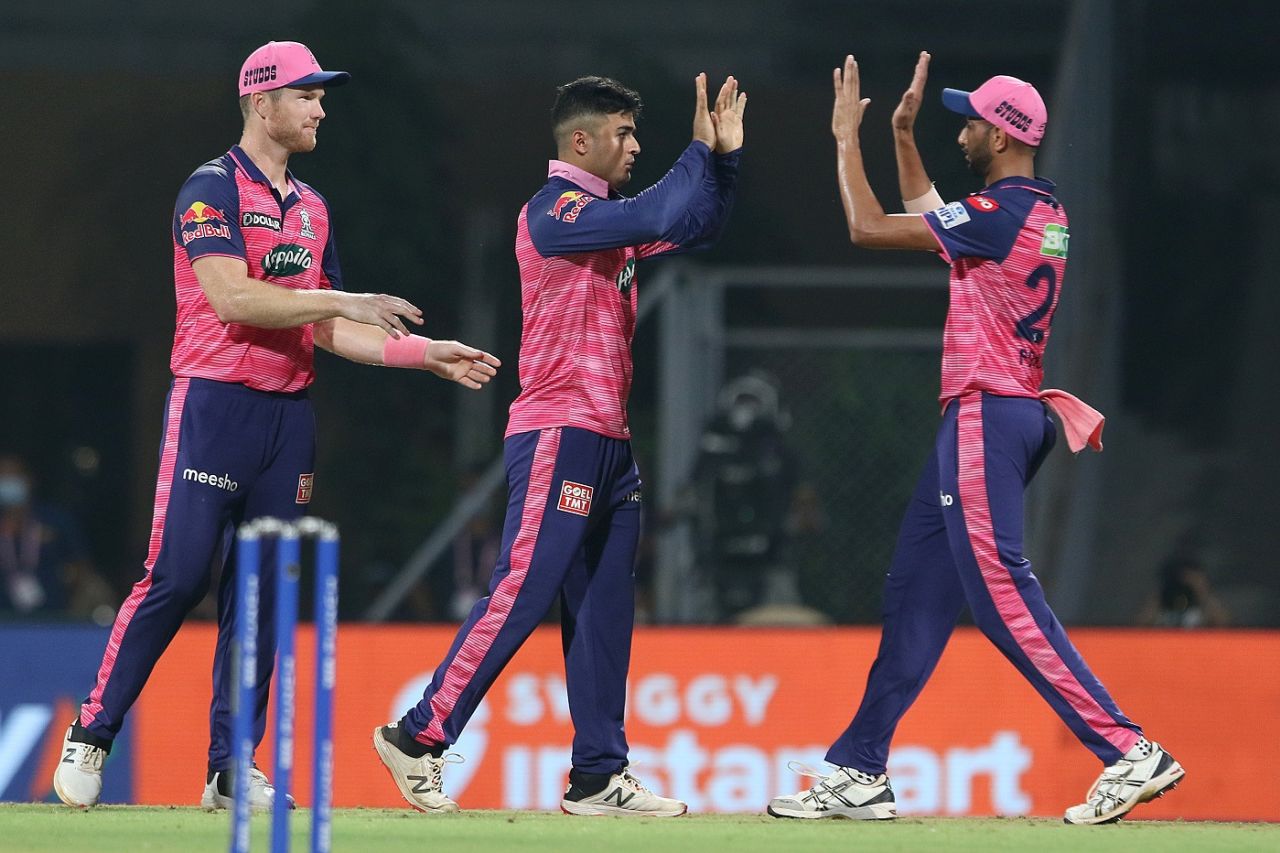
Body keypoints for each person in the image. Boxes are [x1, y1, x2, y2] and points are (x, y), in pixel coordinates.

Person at [53, 41, 501, 811]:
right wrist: (340, 300)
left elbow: (328, 330)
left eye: (321, 96)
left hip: (286, 421)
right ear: (262, 102)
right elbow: (233, 299)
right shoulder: (209, 189)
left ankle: (231, 766)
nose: (321, 109)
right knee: (178, 575)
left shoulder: (315, 206)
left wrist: (423, 353)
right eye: (307, 96)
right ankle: (92, 731)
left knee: (259, 594)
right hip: (212, 406)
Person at [767, 53, 1183, 826]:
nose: (960, 130)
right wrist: (900, 135)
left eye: (968, 121)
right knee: (916, 594)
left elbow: (868, 226)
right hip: (1003, 412)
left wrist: (844, 140)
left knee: (999, 594)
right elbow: (934, 215)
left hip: (986, 415)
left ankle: (1127, 748)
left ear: (1000, 134)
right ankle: (859, 768)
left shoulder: (998, 217)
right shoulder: (1035, 212)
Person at [373, 72, 746, 816]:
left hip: (609, 440)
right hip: (558, 431)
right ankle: (418, 735)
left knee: (606, 606)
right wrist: (698, 147)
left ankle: (598, 773)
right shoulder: (557, 209)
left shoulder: (611, 217)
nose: (636, 146)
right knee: (522, 589)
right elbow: (668, 203)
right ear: (582, 141)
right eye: (624, 133)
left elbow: (698, 222)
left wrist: (725, 160)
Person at [0, 453, 113, 620]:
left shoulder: (55, 520)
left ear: (29, 480)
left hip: (56, 618)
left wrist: (74, 612)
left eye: (13, 476)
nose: (7, 482)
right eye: (3, 477)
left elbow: (81, 565)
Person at [1137, 552, 1231, 628]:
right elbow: (1137, 629)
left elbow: (1225, 627)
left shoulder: (1206, 606)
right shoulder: (1160, 603)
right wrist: (1163, 594)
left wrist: (1201, 593)